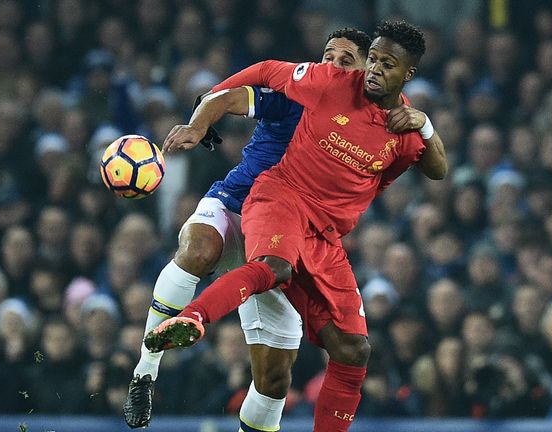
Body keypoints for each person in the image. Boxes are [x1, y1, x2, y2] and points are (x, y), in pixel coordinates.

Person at [151, 20, 447, 432]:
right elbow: (267, 69)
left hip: (324, 236)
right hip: (281, 197)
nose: (375, 70)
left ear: (407, 74)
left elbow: (437, 169)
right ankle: (194, 318)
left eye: (387, 64)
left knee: (353, 349)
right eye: (374, 59)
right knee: (275, 268)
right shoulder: (331, 82)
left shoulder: (404, 127)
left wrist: (425, 125)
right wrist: (205, 107)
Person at [123, 28, 374, 429]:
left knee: (274, 380)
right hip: (235, 205)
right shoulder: (299, 92)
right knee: (198, 250)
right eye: (329, 57)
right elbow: (231, 96)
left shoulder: (367, 125)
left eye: (346, 61)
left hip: (287, 242)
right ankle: (145, 373)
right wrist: (199, 124)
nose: (333, 66)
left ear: (366, 71)